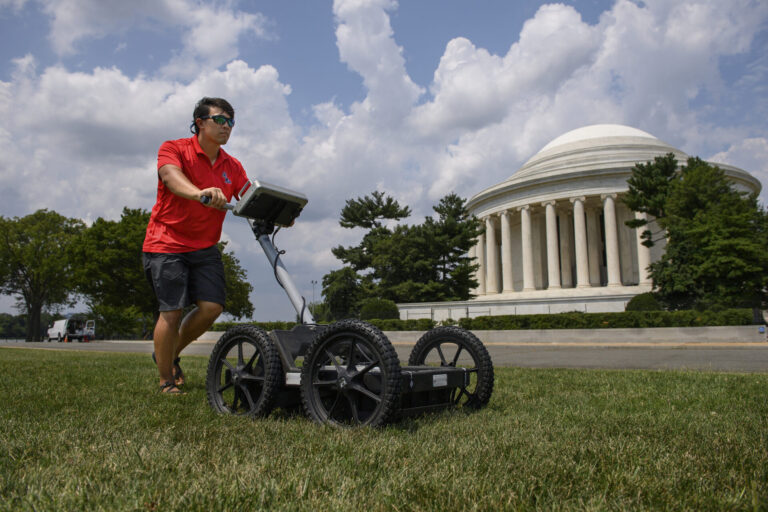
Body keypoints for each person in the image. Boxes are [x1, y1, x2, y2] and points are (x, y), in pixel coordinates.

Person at [143, 97, 249, 394]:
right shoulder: (174, 148)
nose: (227, 126)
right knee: (172, 311)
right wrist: (198, 192)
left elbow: (248, 196)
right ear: (200, 122)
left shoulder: (232, 165)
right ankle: (166, 381)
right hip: (167, 242)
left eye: (231, 122)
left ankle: (168, 354)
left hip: (204, 247)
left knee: (212, 307)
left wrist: (278, 211)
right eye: (220, 120)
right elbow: (171, 177)